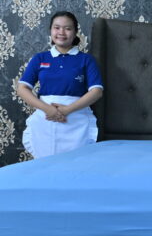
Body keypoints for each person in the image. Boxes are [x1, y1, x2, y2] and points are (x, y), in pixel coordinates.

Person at [17, 11, 103, 159]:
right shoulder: (40, 58)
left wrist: (67, 110)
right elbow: (22, 88)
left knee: (76, 162)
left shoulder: (86, 60)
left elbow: (97, 91)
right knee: (45, 163)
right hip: (45, 119)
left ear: (75, 32)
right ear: (51, 30)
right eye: (57, 28)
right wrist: (48, 110)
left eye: (67, 28)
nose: (61, 32)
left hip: (76, 120)